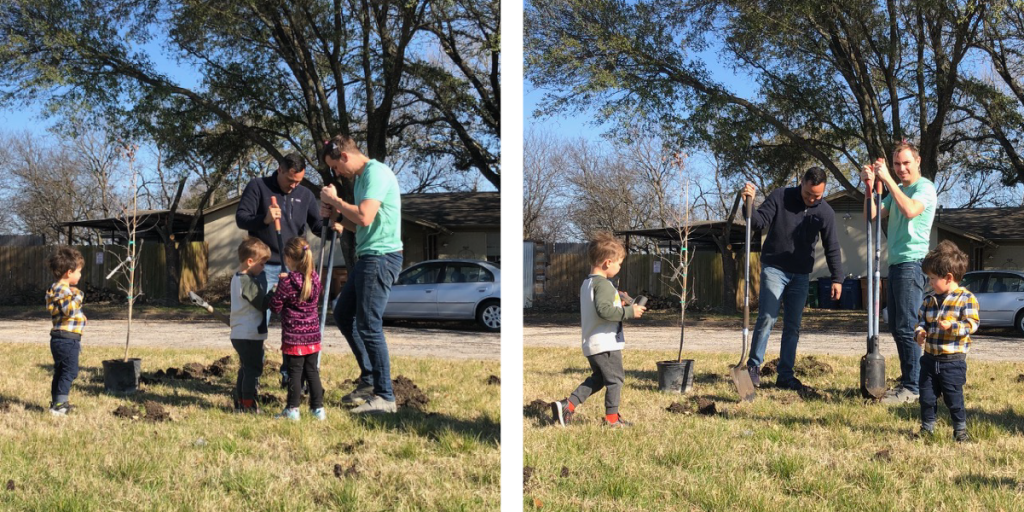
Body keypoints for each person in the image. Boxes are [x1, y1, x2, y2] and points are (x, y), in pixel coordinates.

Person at [320, 135, 404, 414]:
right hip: (368, 255)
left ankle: (385, 397)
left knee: (369, 325)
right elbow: (362, 225)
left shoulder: (376, 173)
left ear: (344, 157)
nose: (336, 173)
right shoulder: (361, 180)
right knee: (343, 313)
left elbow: (365, 216)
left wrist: (336, 200)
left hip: (381, 258)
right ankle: (369, 380)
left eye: (334, 167)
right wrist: (336, 216)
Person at [743, 167, 843, 391]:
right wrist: (748, 203)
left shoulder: (825, 212)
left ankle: (785, 375)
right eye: (808, 194)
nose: (811, 199)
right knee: (767, 317)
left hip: (800, 275)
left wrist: (838, 278)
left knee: (793, 326)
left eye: (817, 196)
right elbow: (758, 221)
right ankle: (753, 367)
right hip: (775, 269)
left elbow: (832, 246)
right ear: (802, 183)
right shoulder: (781, 196)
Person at [235, 152, 325, 388]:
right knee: (258, 321)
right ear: (280, 170)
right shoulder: (258, 187)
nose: (294, 185)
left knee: (295, 323)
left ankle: (291, 375)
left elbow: (316, 225)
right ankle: (252, 376)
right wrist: (263, 219)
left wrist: (331, 225)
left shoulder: (305, 195)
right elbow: (242, 218)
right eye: (291, 180)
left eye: (299, 181)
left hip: (294, 269)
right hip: (263, 267)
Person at [860, 141, 937, 404]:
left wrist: (888, 180)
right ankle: (909, 381)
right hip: (895, 264)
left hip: (912, 263)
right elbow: (871, 215)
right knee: (896, 326)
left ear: (917, 162)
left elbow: (910, 210)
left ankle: (913, 388)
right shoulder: (897, 191)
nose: (901, 168)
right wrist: (869, 186)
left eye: (906, 163)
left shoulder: (924, 188)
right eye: (896, 164)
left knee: (907, 327)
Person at [550, 232, 646, 428]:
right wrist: (629, 311)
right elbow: (604, 311)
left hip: (592, 342)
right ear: (607, 263)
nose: (619, 267)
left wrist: (617, 297)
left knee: (600, 379)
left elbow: (599, 304)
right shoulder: (603, 285)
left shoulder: (589, 283)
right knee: (616, 380)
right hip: (605, 343)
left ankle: (567, 405)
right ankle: (612, 420)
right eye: (619, 263)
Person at [914, 241, 978, 442]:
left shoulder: (966, 299)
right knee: (926, 396)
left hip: (953, 361)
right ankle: (927, 428)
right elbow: (921, 322)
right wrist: (919, 333)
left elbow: (972, 324)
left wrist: (953, 327)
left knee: (953, 398)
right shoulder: (928, 300)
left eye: (933, 278)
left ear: (948, 277)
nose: (930, 283)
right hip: (930, 359)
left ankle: (960, 431)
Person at [268, 237, 326, 421]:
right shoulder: (315, 278)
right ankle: (318, 409)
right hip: (313, 335)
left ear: (289, 259)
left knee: (294, 372)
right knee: (312, 371)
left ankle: (293, 409)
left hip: (294, 337)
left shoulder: (287, 283)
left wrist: (275, 290)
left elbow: (275, 306)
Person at [229, 237, 273, 414]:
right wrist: (275, 291)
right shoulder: (247, 282)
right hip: (249, 334)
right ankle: (248, 404)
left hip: (240, 333)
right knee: (253, 369)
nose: (263, 268)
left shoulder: (236, 278)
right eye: (262, 264)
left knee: (245, 368)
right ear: (250, 261)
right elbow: (262, 303)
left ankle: (241, 401)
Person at [44, 246, 87, 416]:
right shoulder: (62, 289)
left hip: (63, 338)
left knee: (61, 371)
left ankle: (57, 402)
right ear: (69, 272)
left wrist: (81, 317)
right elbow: (69, 309)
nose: (80, 275)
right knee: (70, 371)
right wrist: (79, 295)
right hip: (66, 339)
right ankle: (60, 405)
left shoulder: (60, 289)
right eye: (79, 271)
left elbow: (65, 313)